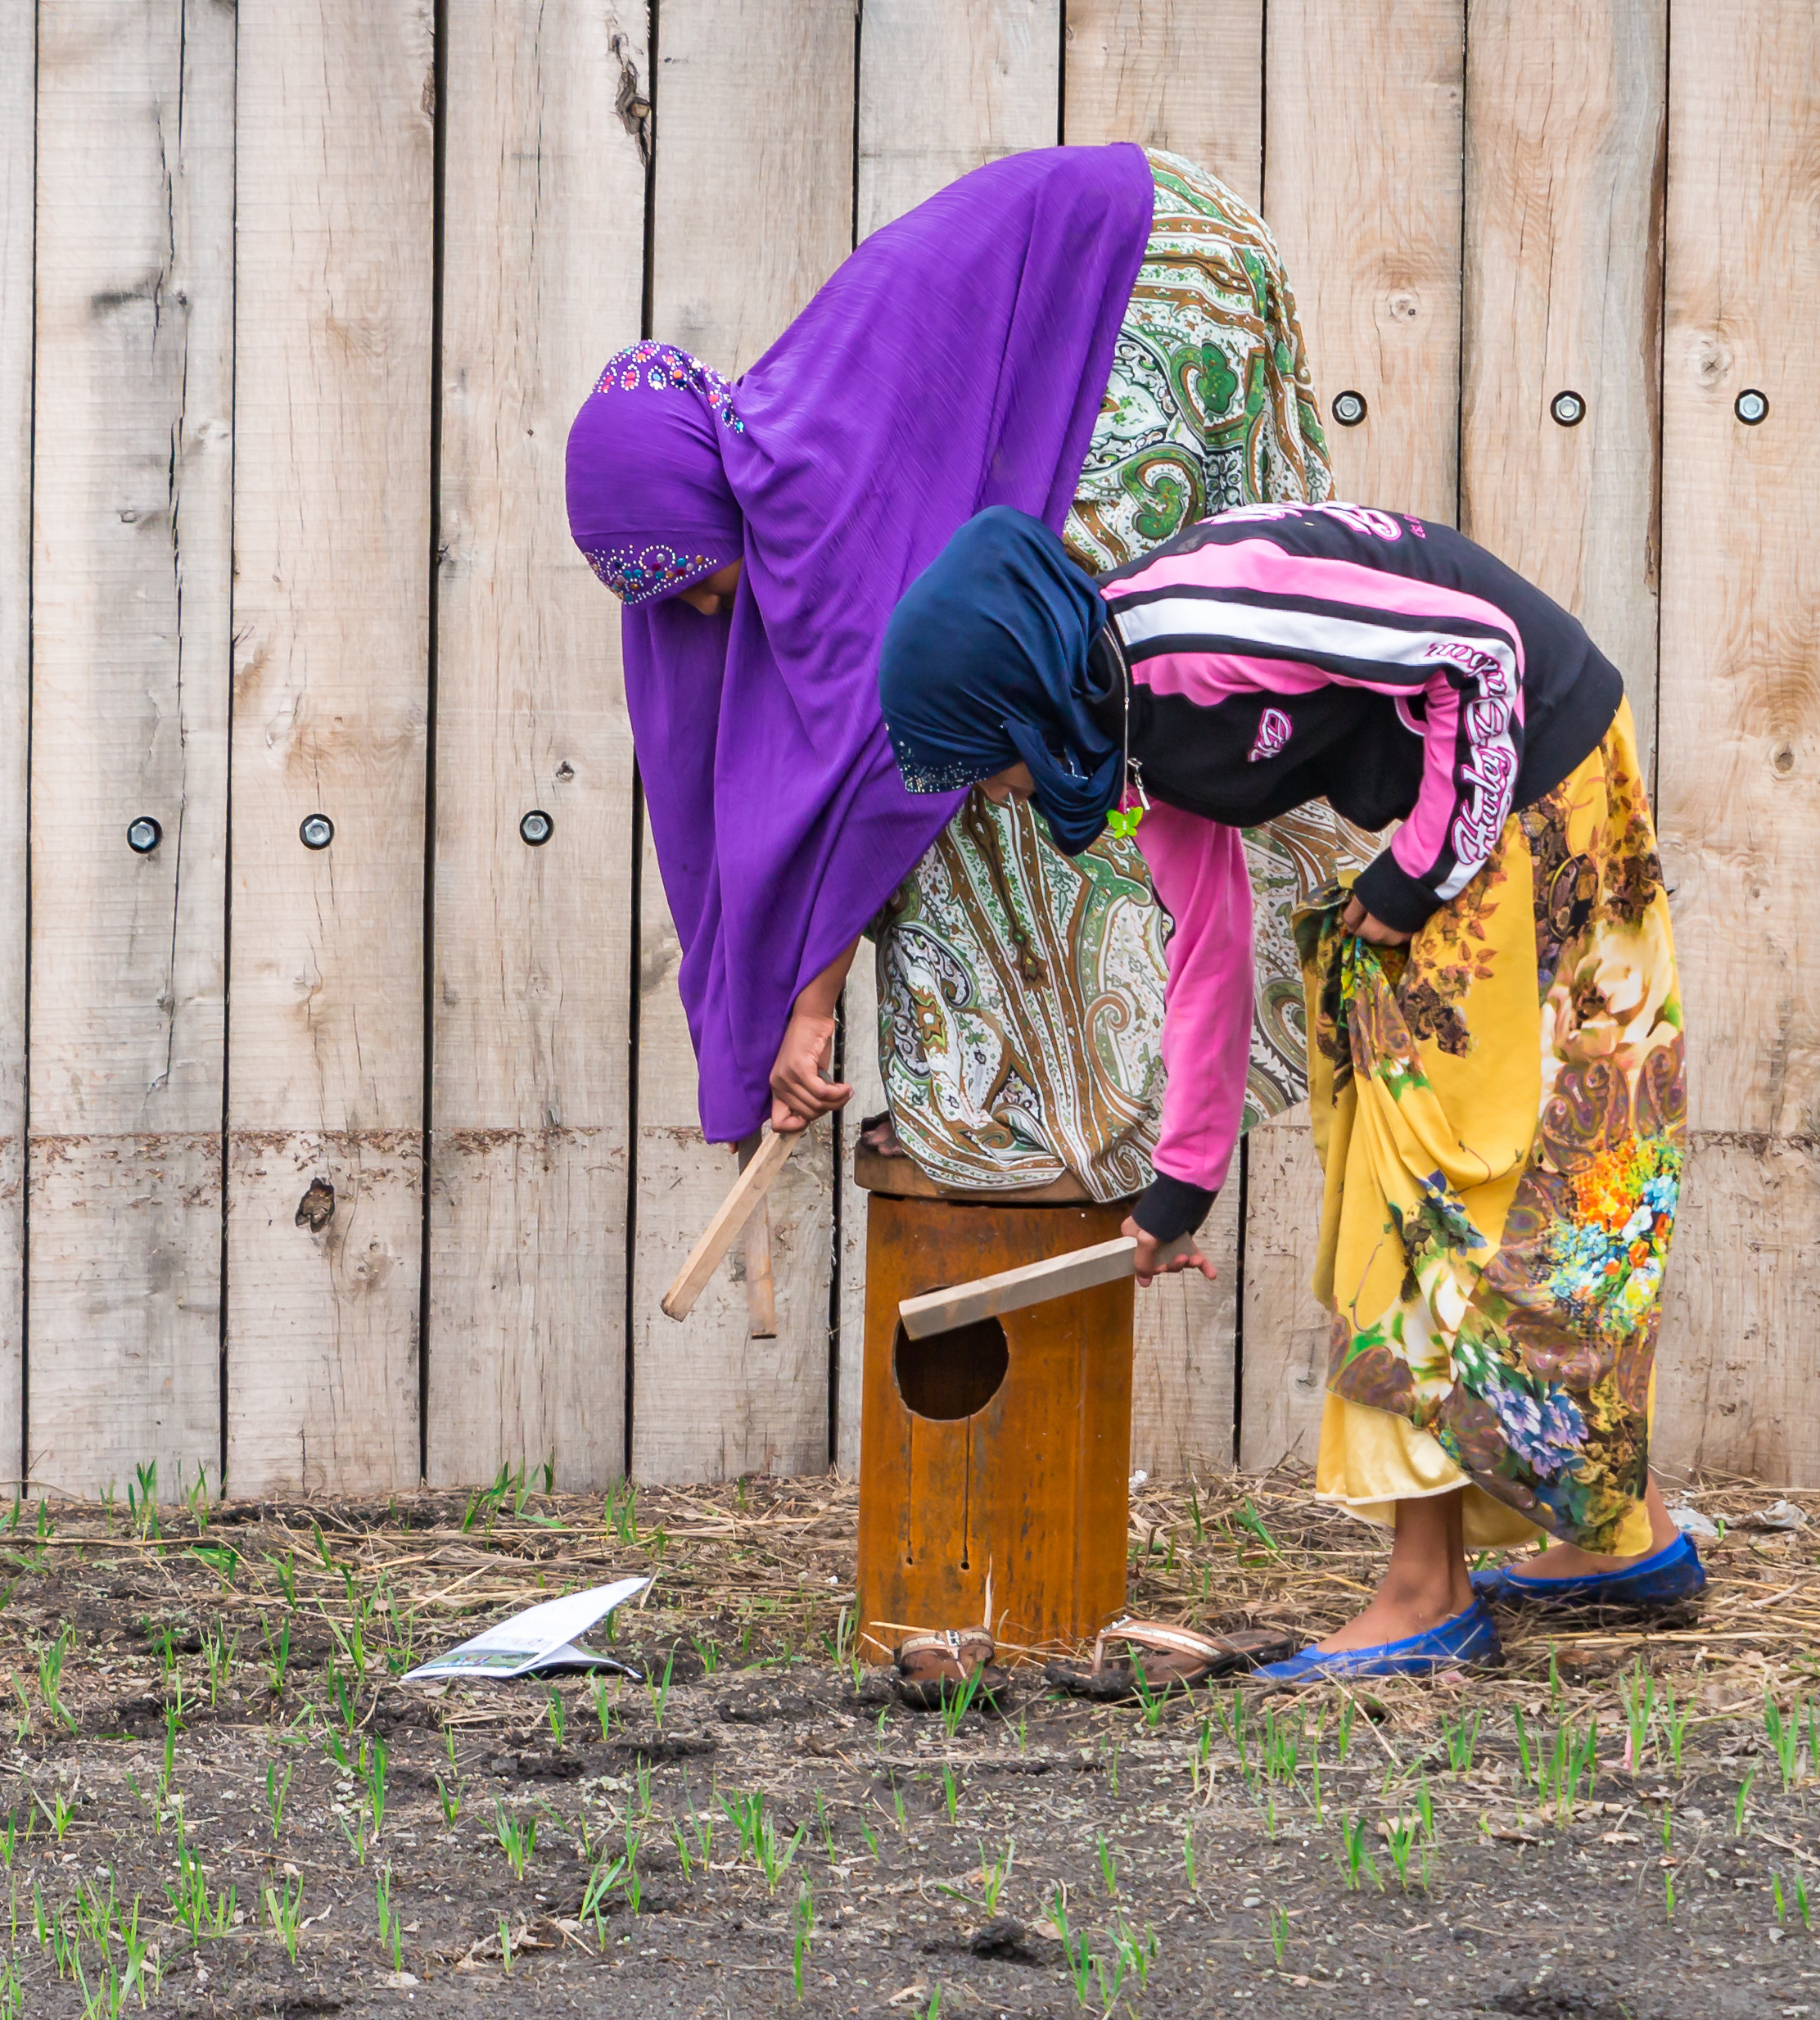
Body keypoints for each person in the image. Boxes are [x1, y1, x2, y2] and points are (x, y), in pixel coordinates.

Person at [877, 502, 1696, 1679]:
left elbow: (1476, 653)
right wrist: (1179, 1187)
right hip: (1495, 794)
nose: (1000, 795)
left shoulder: (1195, 627)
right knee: (1484, 1157)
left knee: (1427, 1178)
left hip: (1529, 781)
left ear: (1024, 699)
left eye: (987, 763)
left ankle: (1426, 1591)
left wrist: (1419, 869)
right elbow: (1206, 948)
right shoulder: (1133, 732)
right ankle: (1624, 1535)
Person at [565, 142, 1369, 1199]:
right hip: (1164, 246)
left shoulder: (808, 500)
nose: (708, 617)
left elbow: (885, 768)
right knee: (1013, 726)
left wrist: (808, 1010)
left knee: (1014, 716)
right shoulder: (778, 451)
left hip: (1150, 288)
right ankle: (1043, 1092)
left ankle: (1053, 1105)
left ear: (700, 501)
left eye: (697, 584)